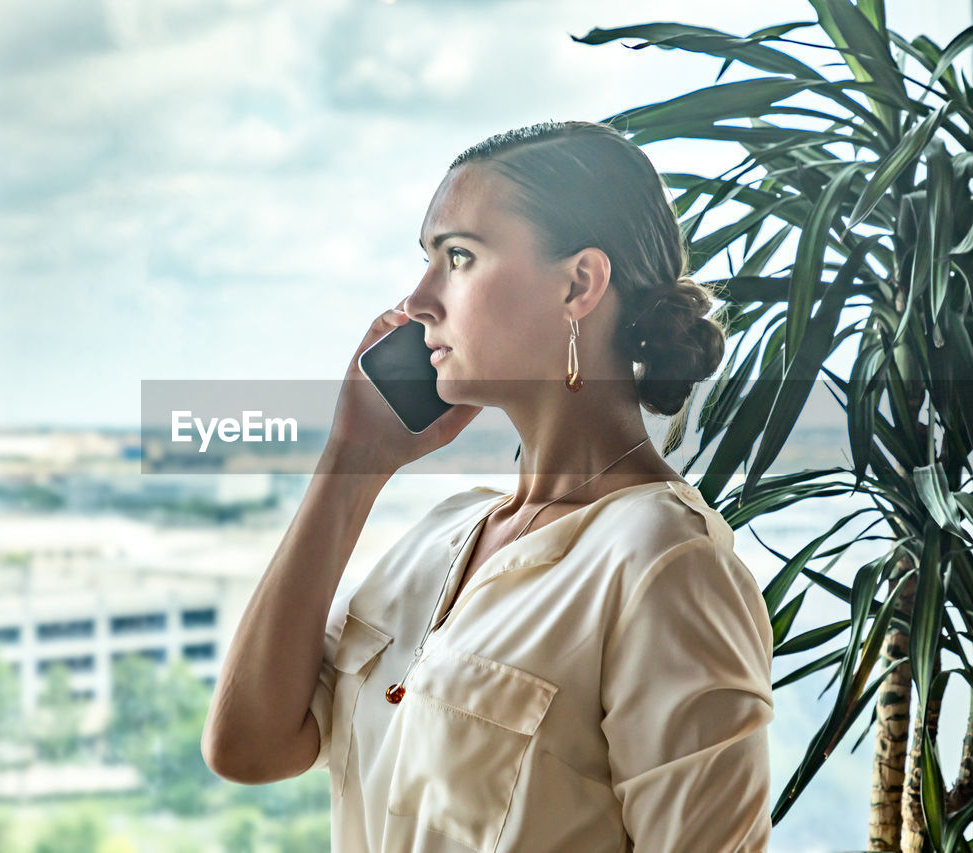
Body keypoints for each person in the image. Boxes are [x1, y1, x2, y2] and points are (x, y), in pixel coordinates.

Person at [201, 119, 774, 852]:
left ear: (579, 284)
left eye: (459, 258)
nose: (416, 302)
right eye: (428, 261)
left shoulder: (665, 564)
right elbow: (249, 746)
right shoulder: (440, 539)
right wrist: (353, 462)